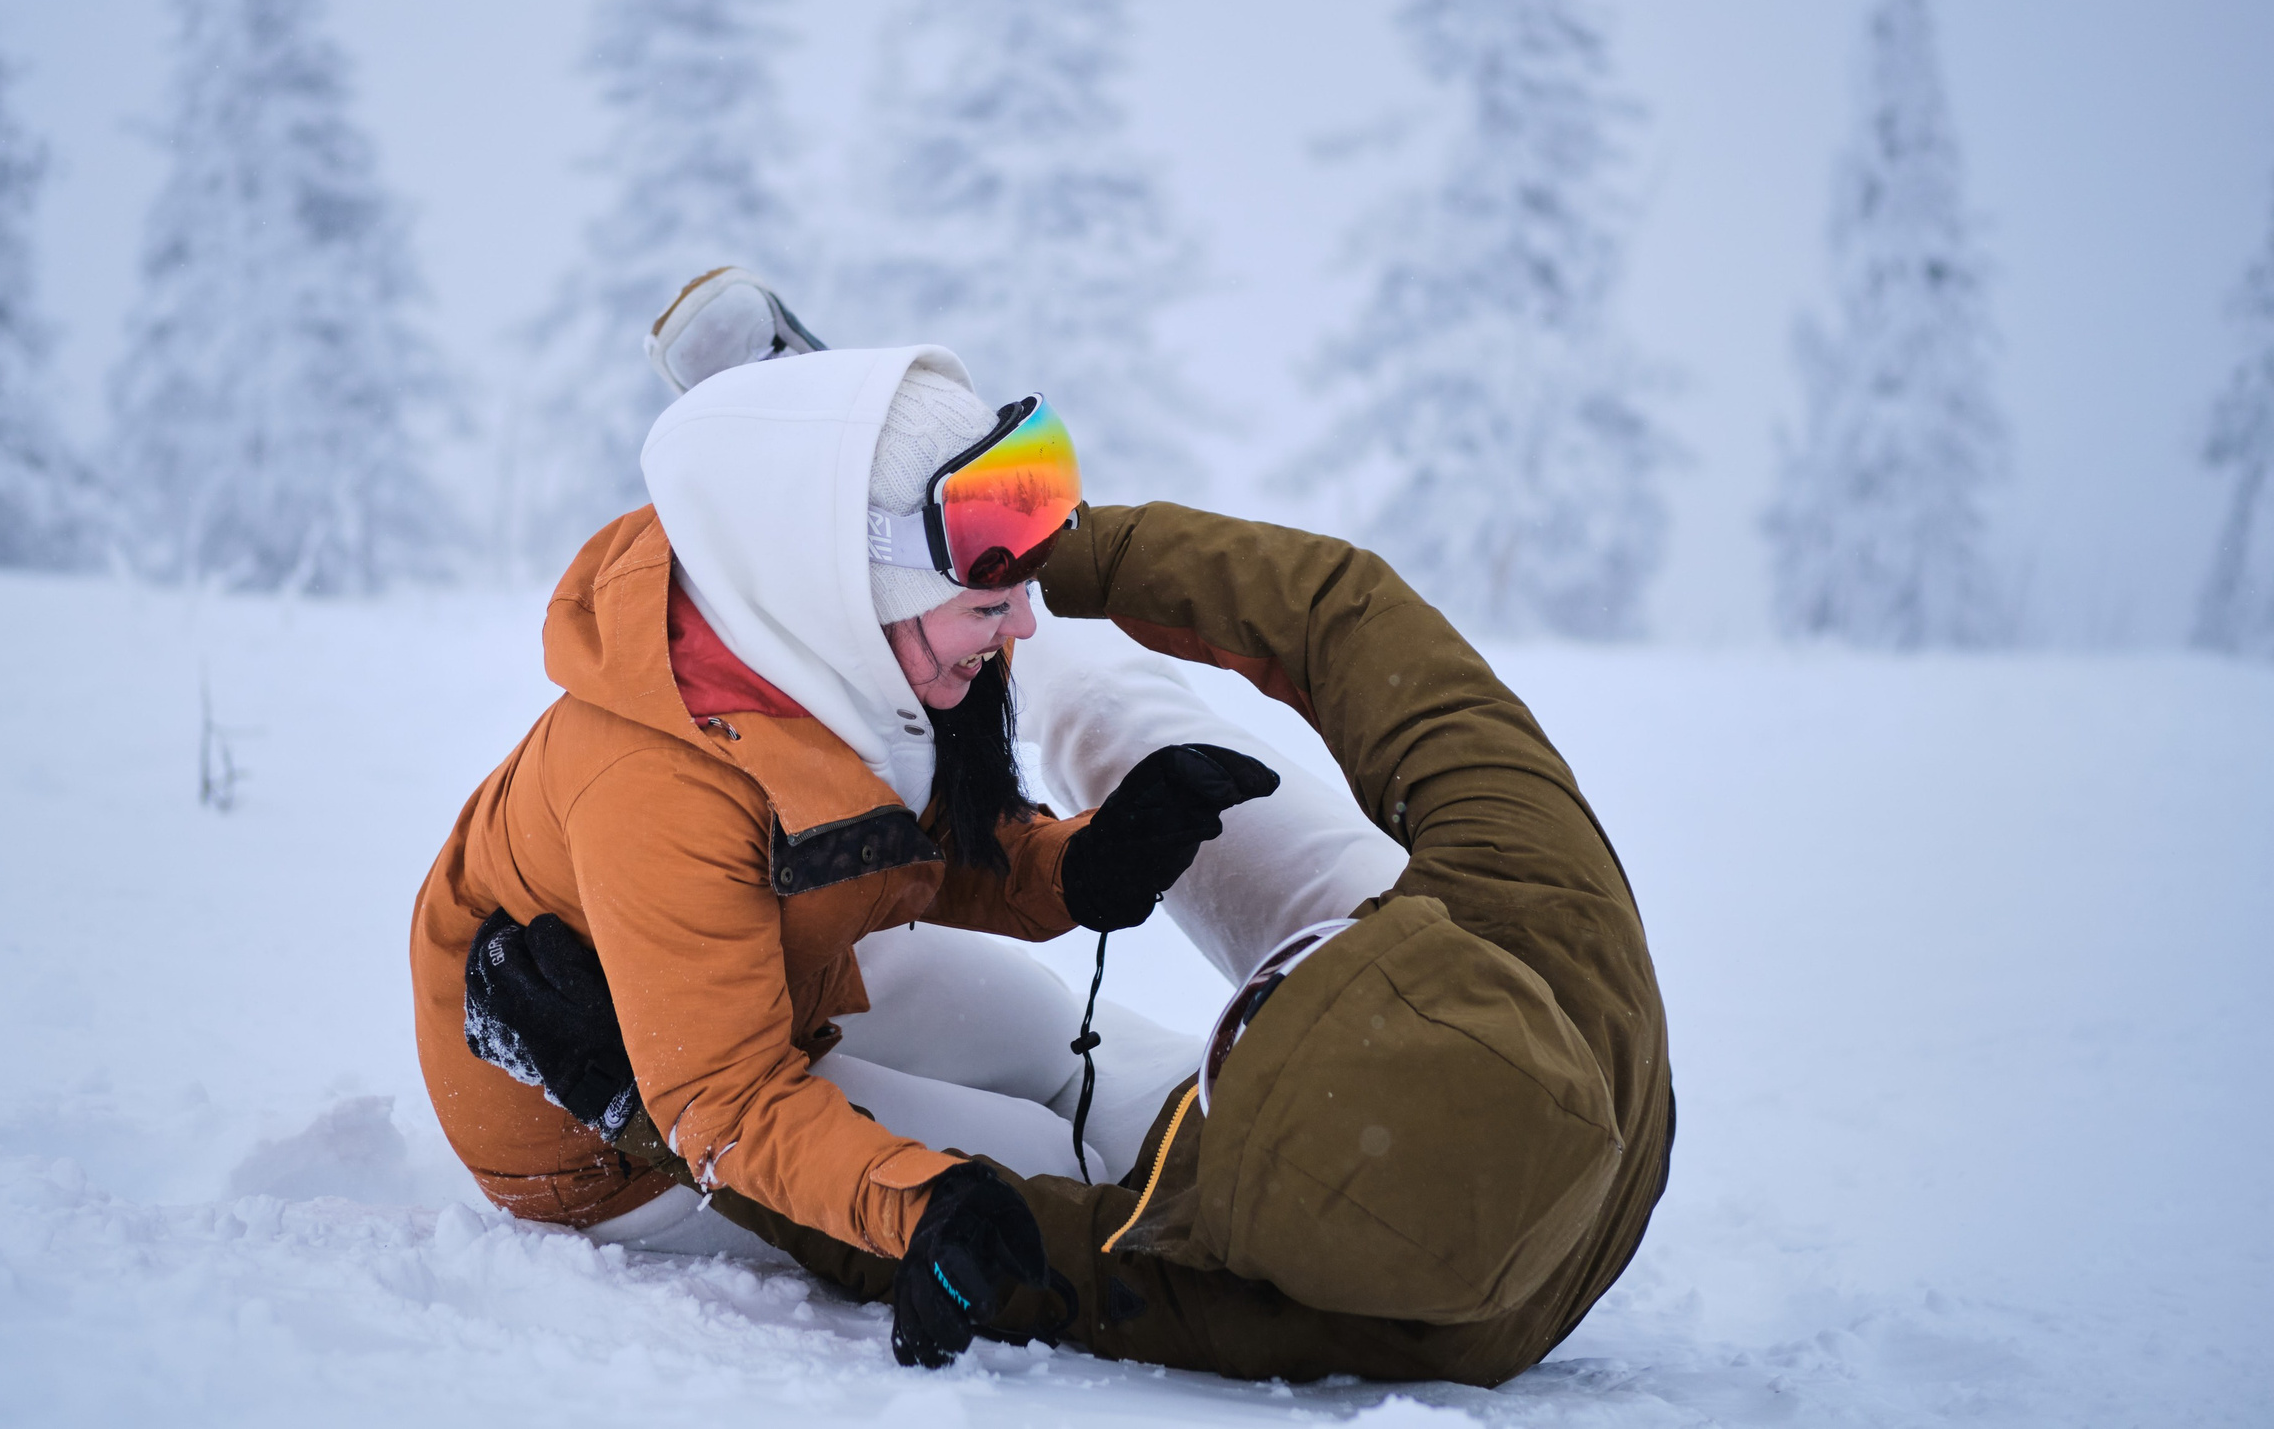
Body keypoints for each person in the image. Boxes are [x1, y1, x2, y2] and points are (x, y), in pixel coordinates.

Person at [468, 273, 1677, 1384]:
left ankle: (879, 543)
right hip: (766, 930)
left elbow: (1022, 1253)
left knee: (1063, 1158)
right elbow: (1344, 616)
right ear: (1431, 947)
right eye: (1303, 966)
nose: (1238, 995)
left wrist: (629, 1105)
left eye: (1237, 1047)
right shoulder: (1549, 923)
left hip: (637, 1045)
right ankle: (844, 493)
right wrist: (1062, 551)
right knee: (1113, 758)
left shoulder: (1316, 1303)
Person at [407, 328, 1277, 1356]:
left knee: (1036, 1032)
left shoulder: (842, 651)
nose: (1024, 631)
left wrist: (1087, 862)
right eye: (991, 604)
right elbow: (721, 1106)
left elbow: (925, 851)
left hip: (769, 974)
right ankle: (1260, 1211)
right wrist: (917, 1209)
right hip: (609, 1121)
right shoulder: (657, 784)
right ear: (854, 590)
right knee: (1041, 1180)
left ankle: (1268, 1117)